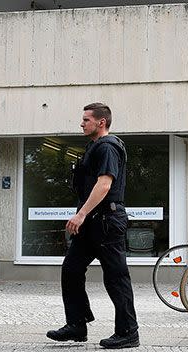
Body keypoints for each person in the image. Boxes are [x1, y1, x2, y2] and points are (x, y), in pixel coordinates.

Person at [46, 103, 139, 349]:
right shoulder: (94, 147)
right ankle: (77, 325)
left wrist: (81, 214)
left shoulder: (108, 147)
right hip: (92, 222)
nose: (81, 123)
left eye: (86, 119)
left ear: (101, 122)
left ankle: (128, 332)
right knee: (71, 270)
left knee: (116, 278)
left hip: (106, 221)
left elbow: (104, 185)